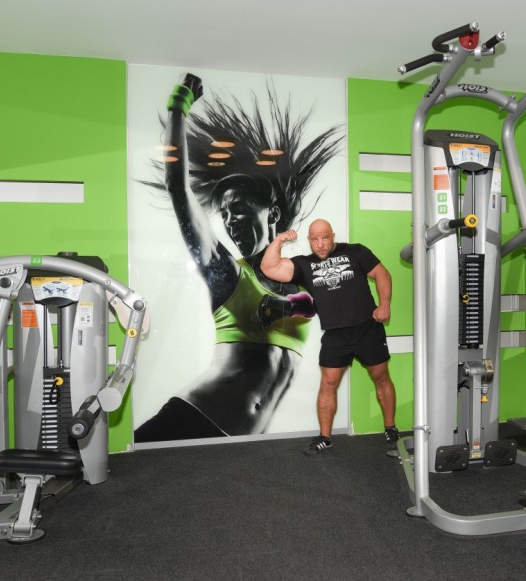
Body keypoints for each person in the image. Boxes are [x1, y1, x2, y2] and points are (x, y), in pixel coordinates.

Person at [135, 74, 342, 442]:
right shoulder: (228, 272)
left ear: (272, 213)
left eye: (239, 208)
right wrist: (178, 108)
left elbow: (325, 298)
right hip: (194, 416)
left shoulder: (301, 274)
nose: (230, 221)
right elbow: (178, 188)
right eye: (225, 214)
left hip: (242, 438)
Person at [261, 218, 398, 454]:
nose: (320, 244)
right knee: (328, 383)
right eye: (315, 239)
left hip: (367, 328)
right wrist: (280, 239)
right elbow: (269, 268)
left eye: (325, 238)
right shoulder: (304, 265)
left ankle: (390, 428)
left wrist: (384, 304)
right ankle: (325, 437)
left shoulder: (355, 251)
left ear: (332, 236)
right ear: (309, 240)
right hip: (335, 334)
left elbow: (382, 274)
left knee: (381, 377)